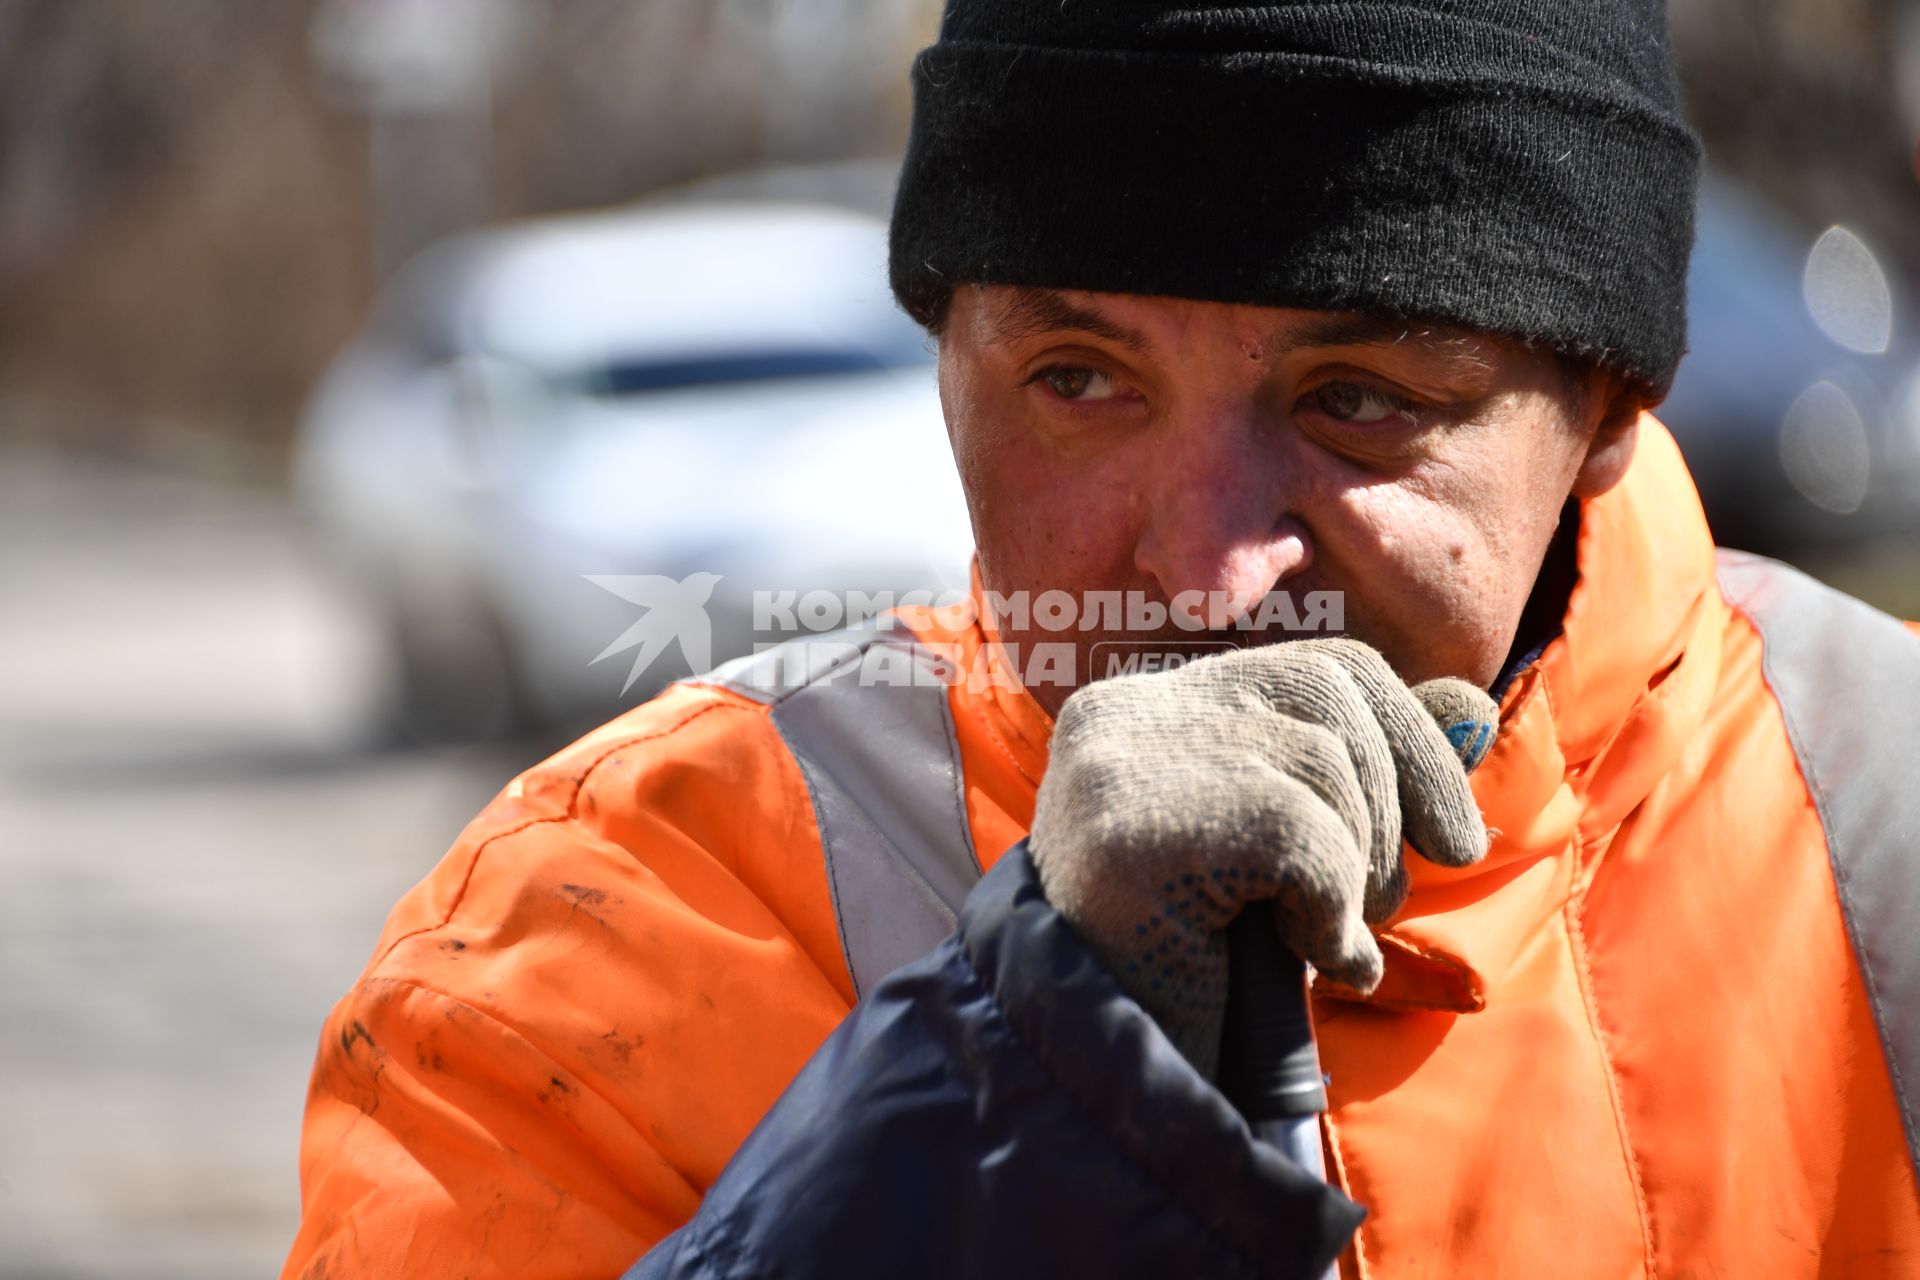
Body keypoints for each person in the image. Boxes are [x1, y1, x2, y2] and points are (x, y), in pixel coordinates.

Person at [282, 2, 1920, 1277]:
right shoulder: (594, 938)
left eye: (1360, 403)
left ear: (1608, 411)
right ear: (947, 364)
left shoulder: (1887, 825)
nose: (1205, 576)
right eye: (1077, 380)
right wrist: (1021, 1065)